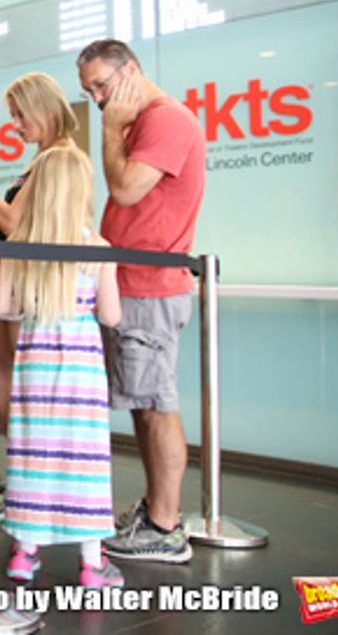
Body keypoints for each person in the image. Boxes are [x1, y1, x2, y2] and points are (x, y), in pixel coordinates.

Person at [77, 38, 205, 563]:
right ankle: (156, 510)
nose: (98, 99)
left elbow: (126, 189)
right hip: (131, 284)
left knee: (156, 406)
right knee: (143, 403)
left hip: (151, 287)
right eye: (89, 92)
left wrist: (111, 131)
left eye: (102, 85)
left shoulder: (165, 120)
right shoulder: (139, 121)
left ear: (130, 70)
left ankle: (165, 526)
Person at [0, 144, 124, 588]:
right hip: (82, 370)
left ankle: (25, 552)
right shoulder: (98, 248)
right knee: (83, 457)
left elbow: (1, 305)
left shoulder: (20, 245)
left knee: (35, 453)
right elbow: (111, 316)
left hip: (35, 364)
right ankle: (91, 562)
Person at [0, 72, 81, 509]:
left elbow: (12, 224)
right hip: (19, 288)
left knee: (21, 387)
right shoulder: (46, 158)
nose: (15, 124)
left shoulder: (58, 158)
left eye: (19, 114)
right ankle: (27, 472)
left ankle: (35, 478)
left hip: (33, 290)